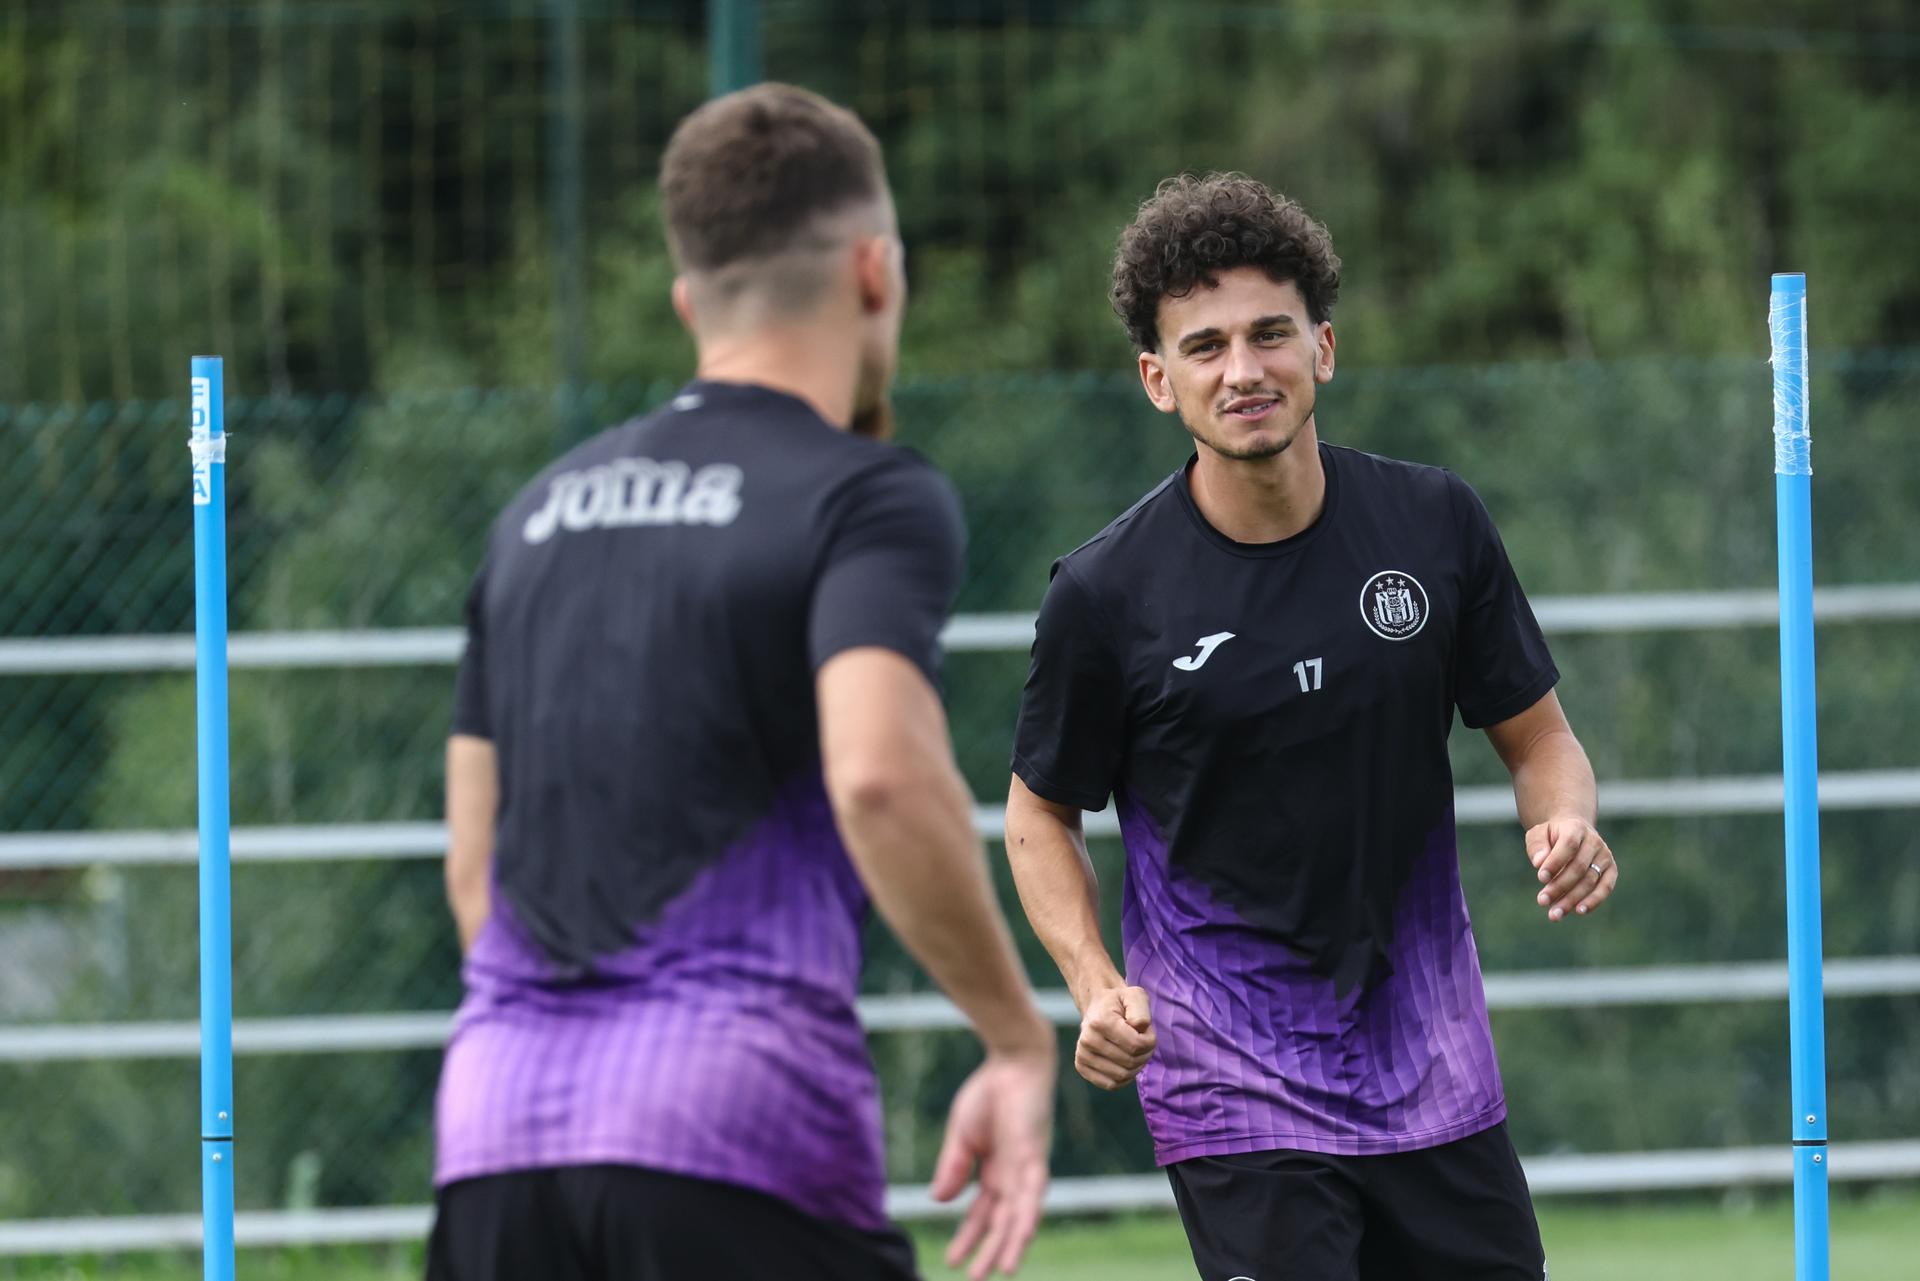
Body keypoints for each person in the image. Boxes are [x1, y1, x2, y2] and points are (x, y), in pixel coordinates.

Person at [429, 84, 1056, 1281]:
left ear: (686, 301)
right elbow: (877, 775)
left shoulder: (534, 517)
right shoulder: (864, 493)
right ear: (875, 272)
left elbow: (477, 869)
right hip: (733, 1128)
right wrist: (1013, 1039)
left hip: (495, 1133)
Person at [1003, 172, 1617, 1281]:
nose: (1244, 371)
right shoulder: (1104, 594)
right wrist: (1096, 990)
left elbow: (1540, 741)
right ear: (1158, 379)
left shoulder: (1434, 524)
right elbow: (1038, 814)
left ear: (1322, 349)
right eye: (1205, 347)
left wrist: (1567, 820)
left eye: (1270, 334)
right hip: (1230, 1073)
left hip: (1433, 1060)